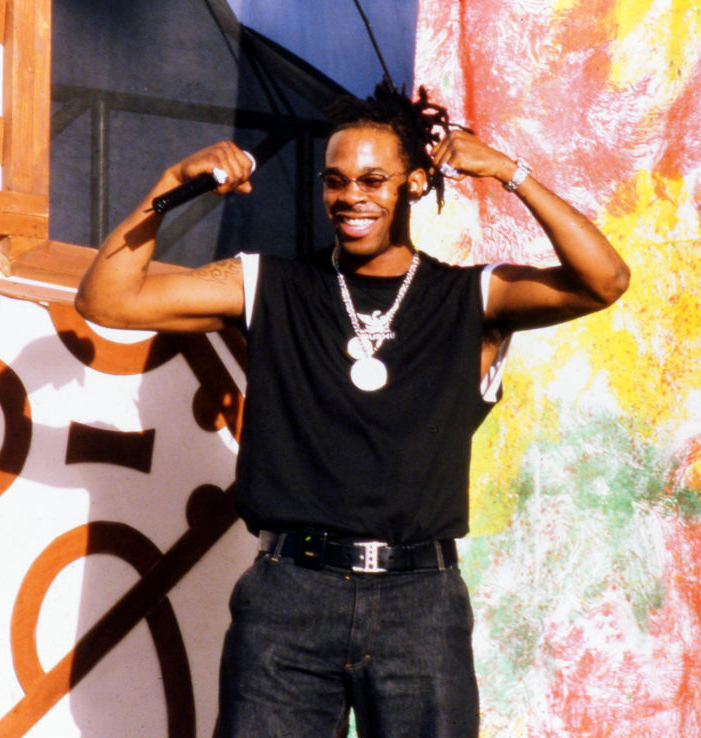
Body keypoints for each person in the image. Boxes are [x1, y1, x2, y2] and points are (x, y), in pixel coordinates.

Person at [75, 81, 630, 737]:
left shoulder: (470, 299)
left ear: (415, 184)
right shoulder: (270, 284)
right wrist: (173, 185)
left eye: (372, 180)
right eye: (335, 182)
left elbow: (605, 280)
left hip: (419, 601)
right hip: (288, 594)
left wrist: (513, 174)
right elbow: (107, 301)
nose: (351, 198)